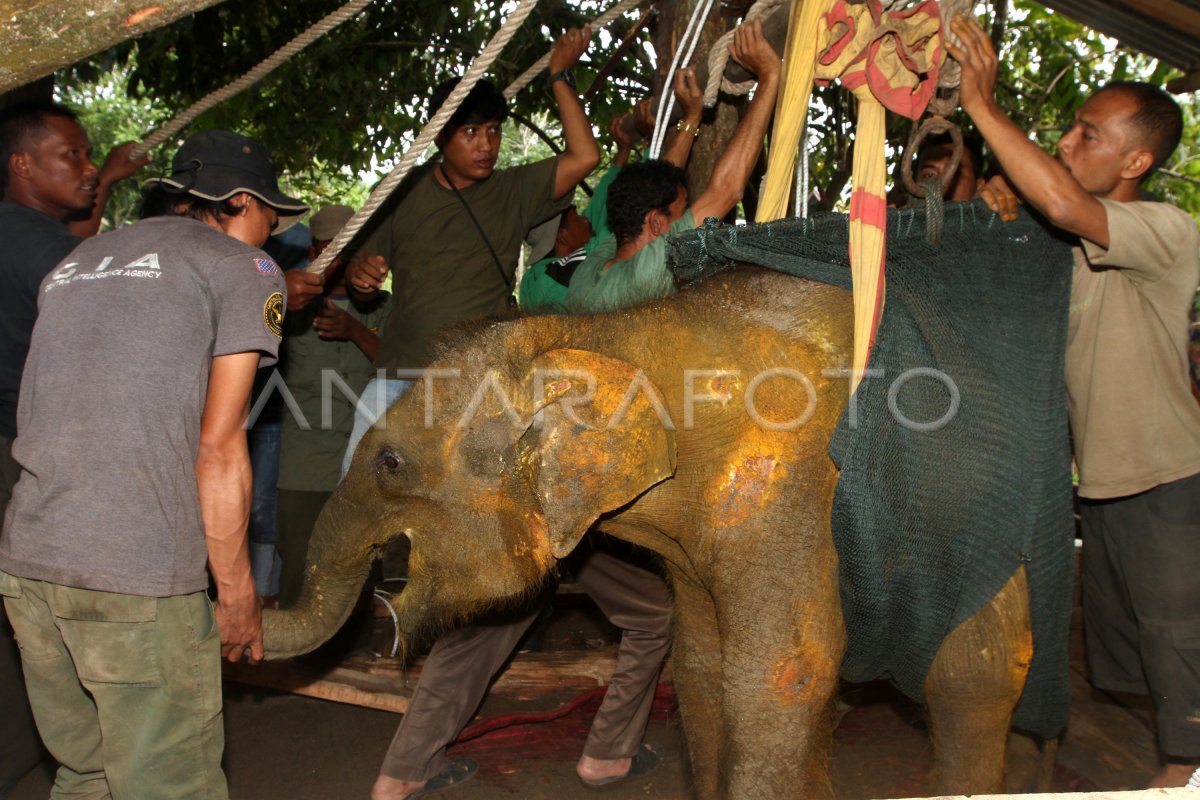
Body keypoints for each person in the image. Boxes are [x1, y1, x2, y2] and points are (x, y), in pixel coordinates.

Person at [0, 128, 306, 798]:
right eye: (269, 215)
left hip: (30, 565)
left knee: (87, 773)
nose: (274, 231)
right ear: (239, 201)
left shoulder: (78, 262)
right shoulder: (244, 270)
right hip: (133, 574)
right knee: (169, 783)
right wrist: (237, 593)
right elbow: (220, 446)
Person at [949, 17, 1200, 788]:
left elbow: (1062, 204)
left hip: (1168, 477)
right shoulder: (1078, 245)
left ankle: (1183, 775)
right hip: (1102, 483)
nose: (1066, 141)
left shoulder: (1166, 230)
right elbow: (1035, 227)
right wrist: (999, 202)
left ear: (1137, 159)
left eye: (1088, 134)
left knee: (1180, 642)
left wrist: (983, 108)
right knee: (1129, 657)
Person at [343, 27, 600, 473]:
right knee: (354, 484)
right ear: (442, 137)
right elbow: (362, 288)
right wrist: (360, 279)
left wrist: (560, 75)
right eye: (471, 132)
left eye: (495, 131)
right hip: (400, 375)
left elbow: (585, 157)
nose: (487, 145)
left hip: (482, 381)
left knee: (482, 504)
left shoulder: (512, 191)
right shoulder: (403, 189)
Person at [0, 99, 146, 794]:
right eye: (75, 157)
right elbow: (121, 308)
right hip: (27, 456)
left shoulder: (24, 234)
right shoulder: (36, 243)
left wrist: (108, 179)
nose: (89, 170)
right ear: (21, 164)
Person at [565, 19, 781, 314]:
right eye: (681, 214)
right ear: (655, 222)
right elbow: (726, 191)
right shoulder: (648, 273)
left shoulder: (591, 270)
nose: (686, 220)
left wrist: (691, 119)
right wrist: (769, 76)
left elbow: (658, 180)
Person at [275, 204, 387, 608]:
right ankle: (293, 667)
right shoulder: (288, 309)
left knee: (358, 578)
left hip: (363, 468)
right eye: (331, 249)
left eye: (351, 250)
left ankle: (354, 663)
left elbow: (406, 368)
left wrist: (355, 330)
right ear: (314, 253)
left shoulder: (386, 308)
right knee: (299, 577)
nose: (341, 261)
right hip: (304, 467)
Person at [520, 69, 704, 314]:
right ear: (561, 236)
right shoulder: (581, 267)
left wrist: (624, 153)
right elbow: (649, 195)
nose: (587, 217)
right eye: (576, 216)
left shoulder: (533, 283)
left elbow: (625, 199)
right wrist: (690, 121)